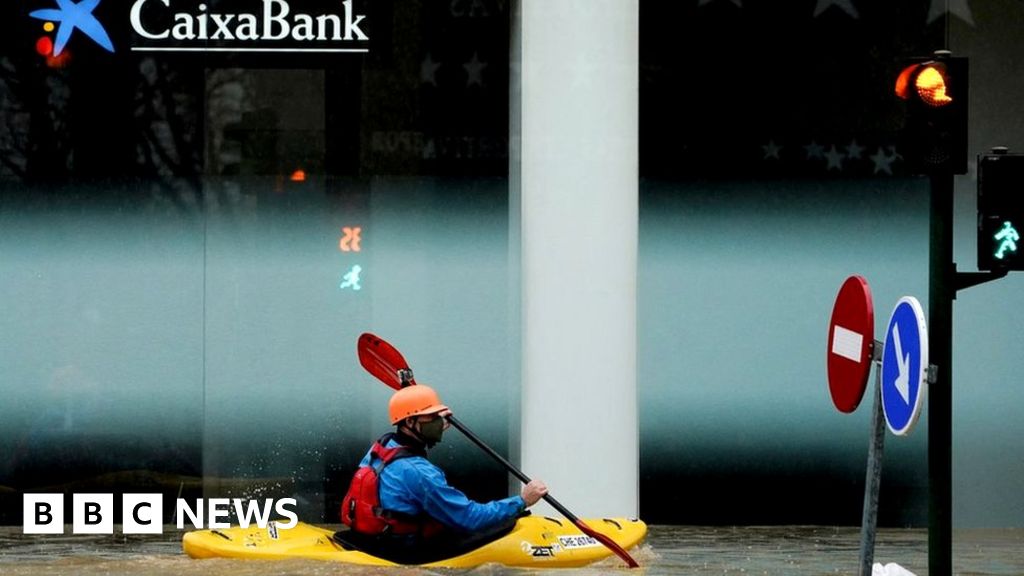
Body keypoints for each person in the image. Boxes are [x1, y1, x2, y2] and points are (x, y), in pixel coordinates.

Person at [337, 384, 548, 564]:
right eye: (432, 418)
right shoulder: (420, 473)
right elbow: (469, 518)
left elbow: (408, 462)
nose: (439, 422)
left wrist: (434, 426)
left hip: (374, 538)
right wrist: (522, 500)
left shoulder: (383, 444)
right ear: (410, 422)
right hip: (405, 550)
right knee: (502, 520)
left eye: (439, 417)